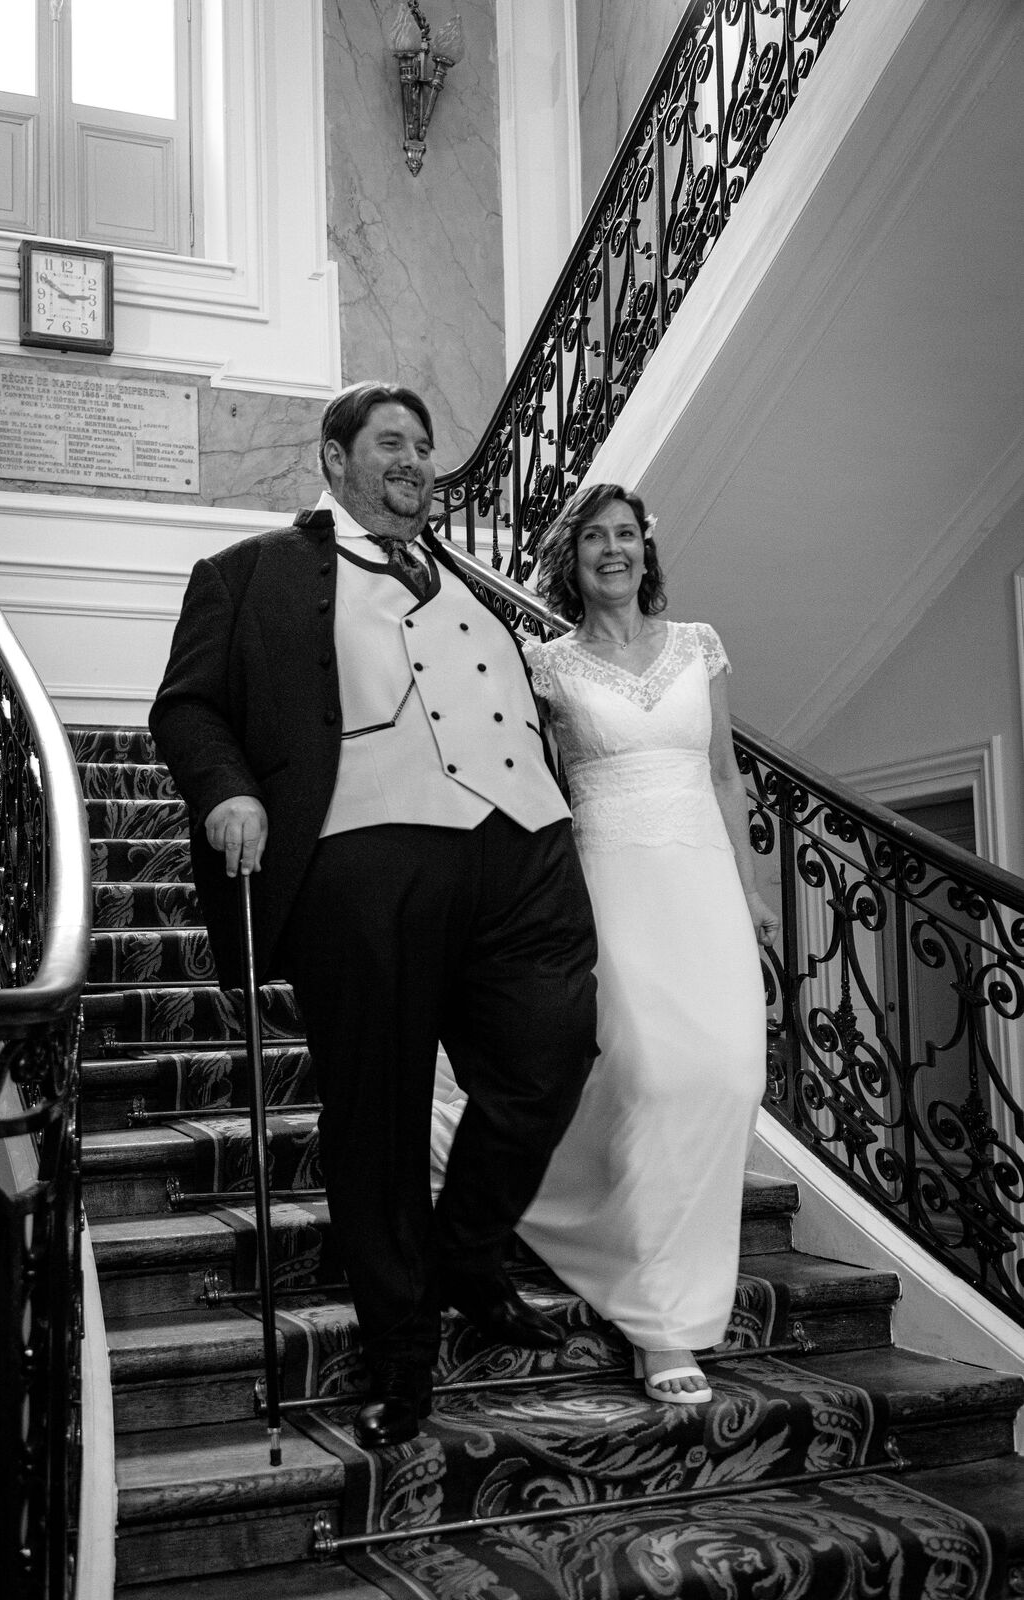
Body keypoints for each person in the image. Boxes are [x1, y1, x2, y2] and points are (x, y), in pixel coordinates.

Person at [149, 382, 599, 1450]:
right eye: (389, 441)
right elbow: (188, 705)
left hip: (522, 845)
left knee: (550, 1053)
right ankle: (402, 1348)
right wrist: (227, 792)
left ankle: (466, 1252)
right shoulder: (250, 572)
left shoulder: (466, 582)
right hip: (365, 855)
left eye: (424, 445)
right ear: (334, 457)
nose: (414, 459)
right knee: (380, 1115)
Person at [433, 480, 778, 1403]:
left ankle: (552, 1193)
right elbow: (522, 784)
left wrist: (749, 889)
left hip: (704, 883)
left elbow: (724, 775)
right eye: (595, 537)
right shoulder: (545, 667)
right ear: (571, 556)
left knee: (731, 1077)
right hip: (610, 889)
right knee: (651, 1078)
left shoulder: (698, 647)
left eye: (626, 534)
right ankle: (663, 1325)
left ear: (645, 549)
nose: (613, 550)